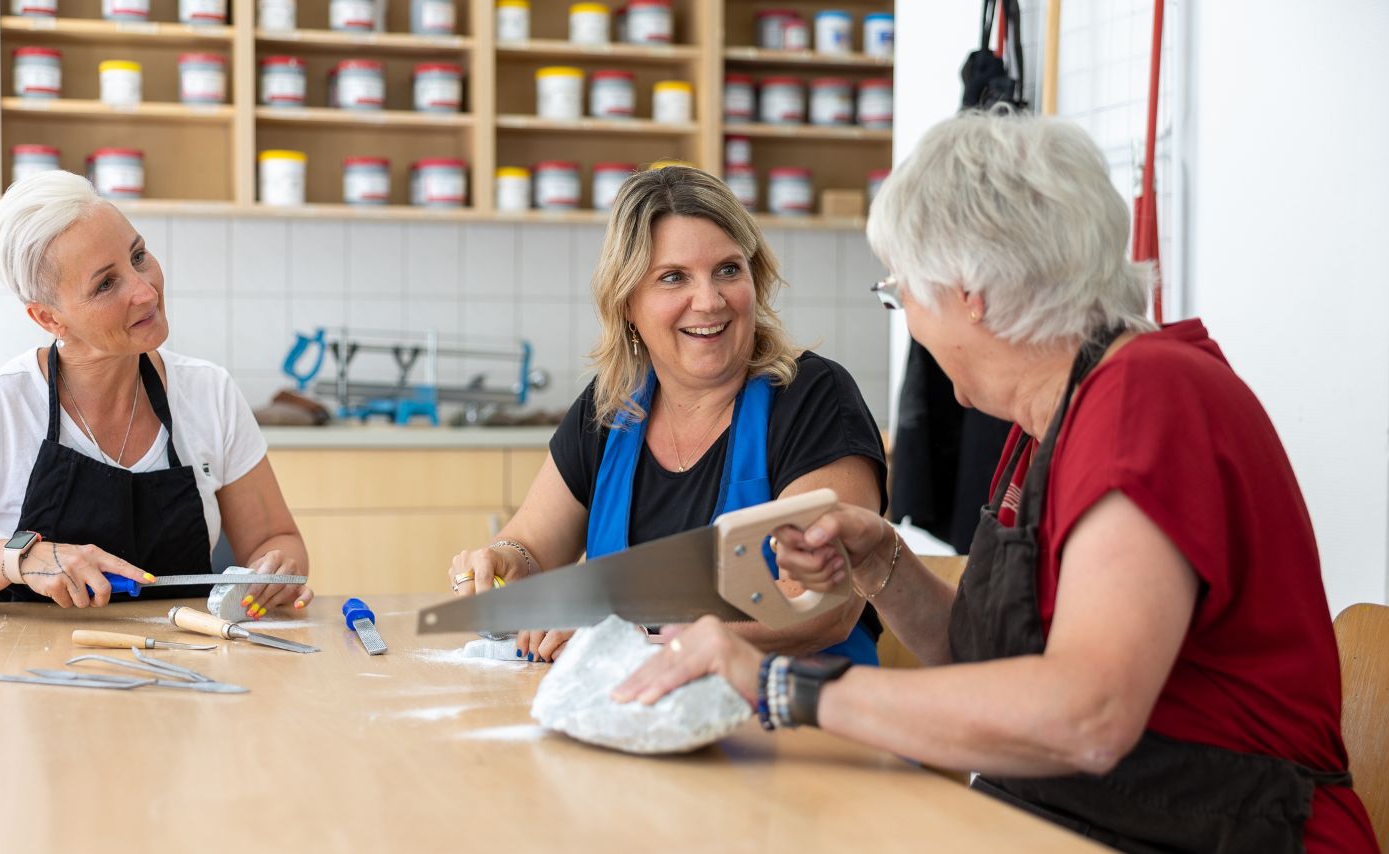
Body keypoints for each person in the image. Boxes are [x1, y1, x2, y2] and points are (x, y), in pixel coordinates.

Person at [614, 111, 1377, 852]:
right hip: (1087, 820)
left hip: (1229, 833)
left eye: (902, 293)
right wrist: (883, 563)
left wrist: (783, 684)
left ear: (968, 293)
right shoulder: (1045, 424)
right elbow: (992, 671)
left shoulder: (1149, 399)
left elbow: (1088, 713)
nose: (908, 318)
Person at [446, 165, 888, 664]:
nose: (709, 300)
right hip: (643, 718)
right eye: (673, 277)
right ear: (628, 302)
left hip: (801, 720)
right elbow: (532, 544)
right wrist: (508, 562)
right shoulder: (610, 407)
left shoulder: (811, 397)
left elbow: (821, 605)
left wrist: (636, 638)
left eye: (728, 269)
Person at [0, 171, 313, 616]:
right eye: (105, 284)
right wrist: (21, 557)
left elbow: (276, 540)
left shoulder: (209, 392)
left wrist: (276, 570)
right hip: (31, 680)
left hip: (188, 665)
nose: (145, 290)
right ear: (49, 319)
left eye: (138, 256)